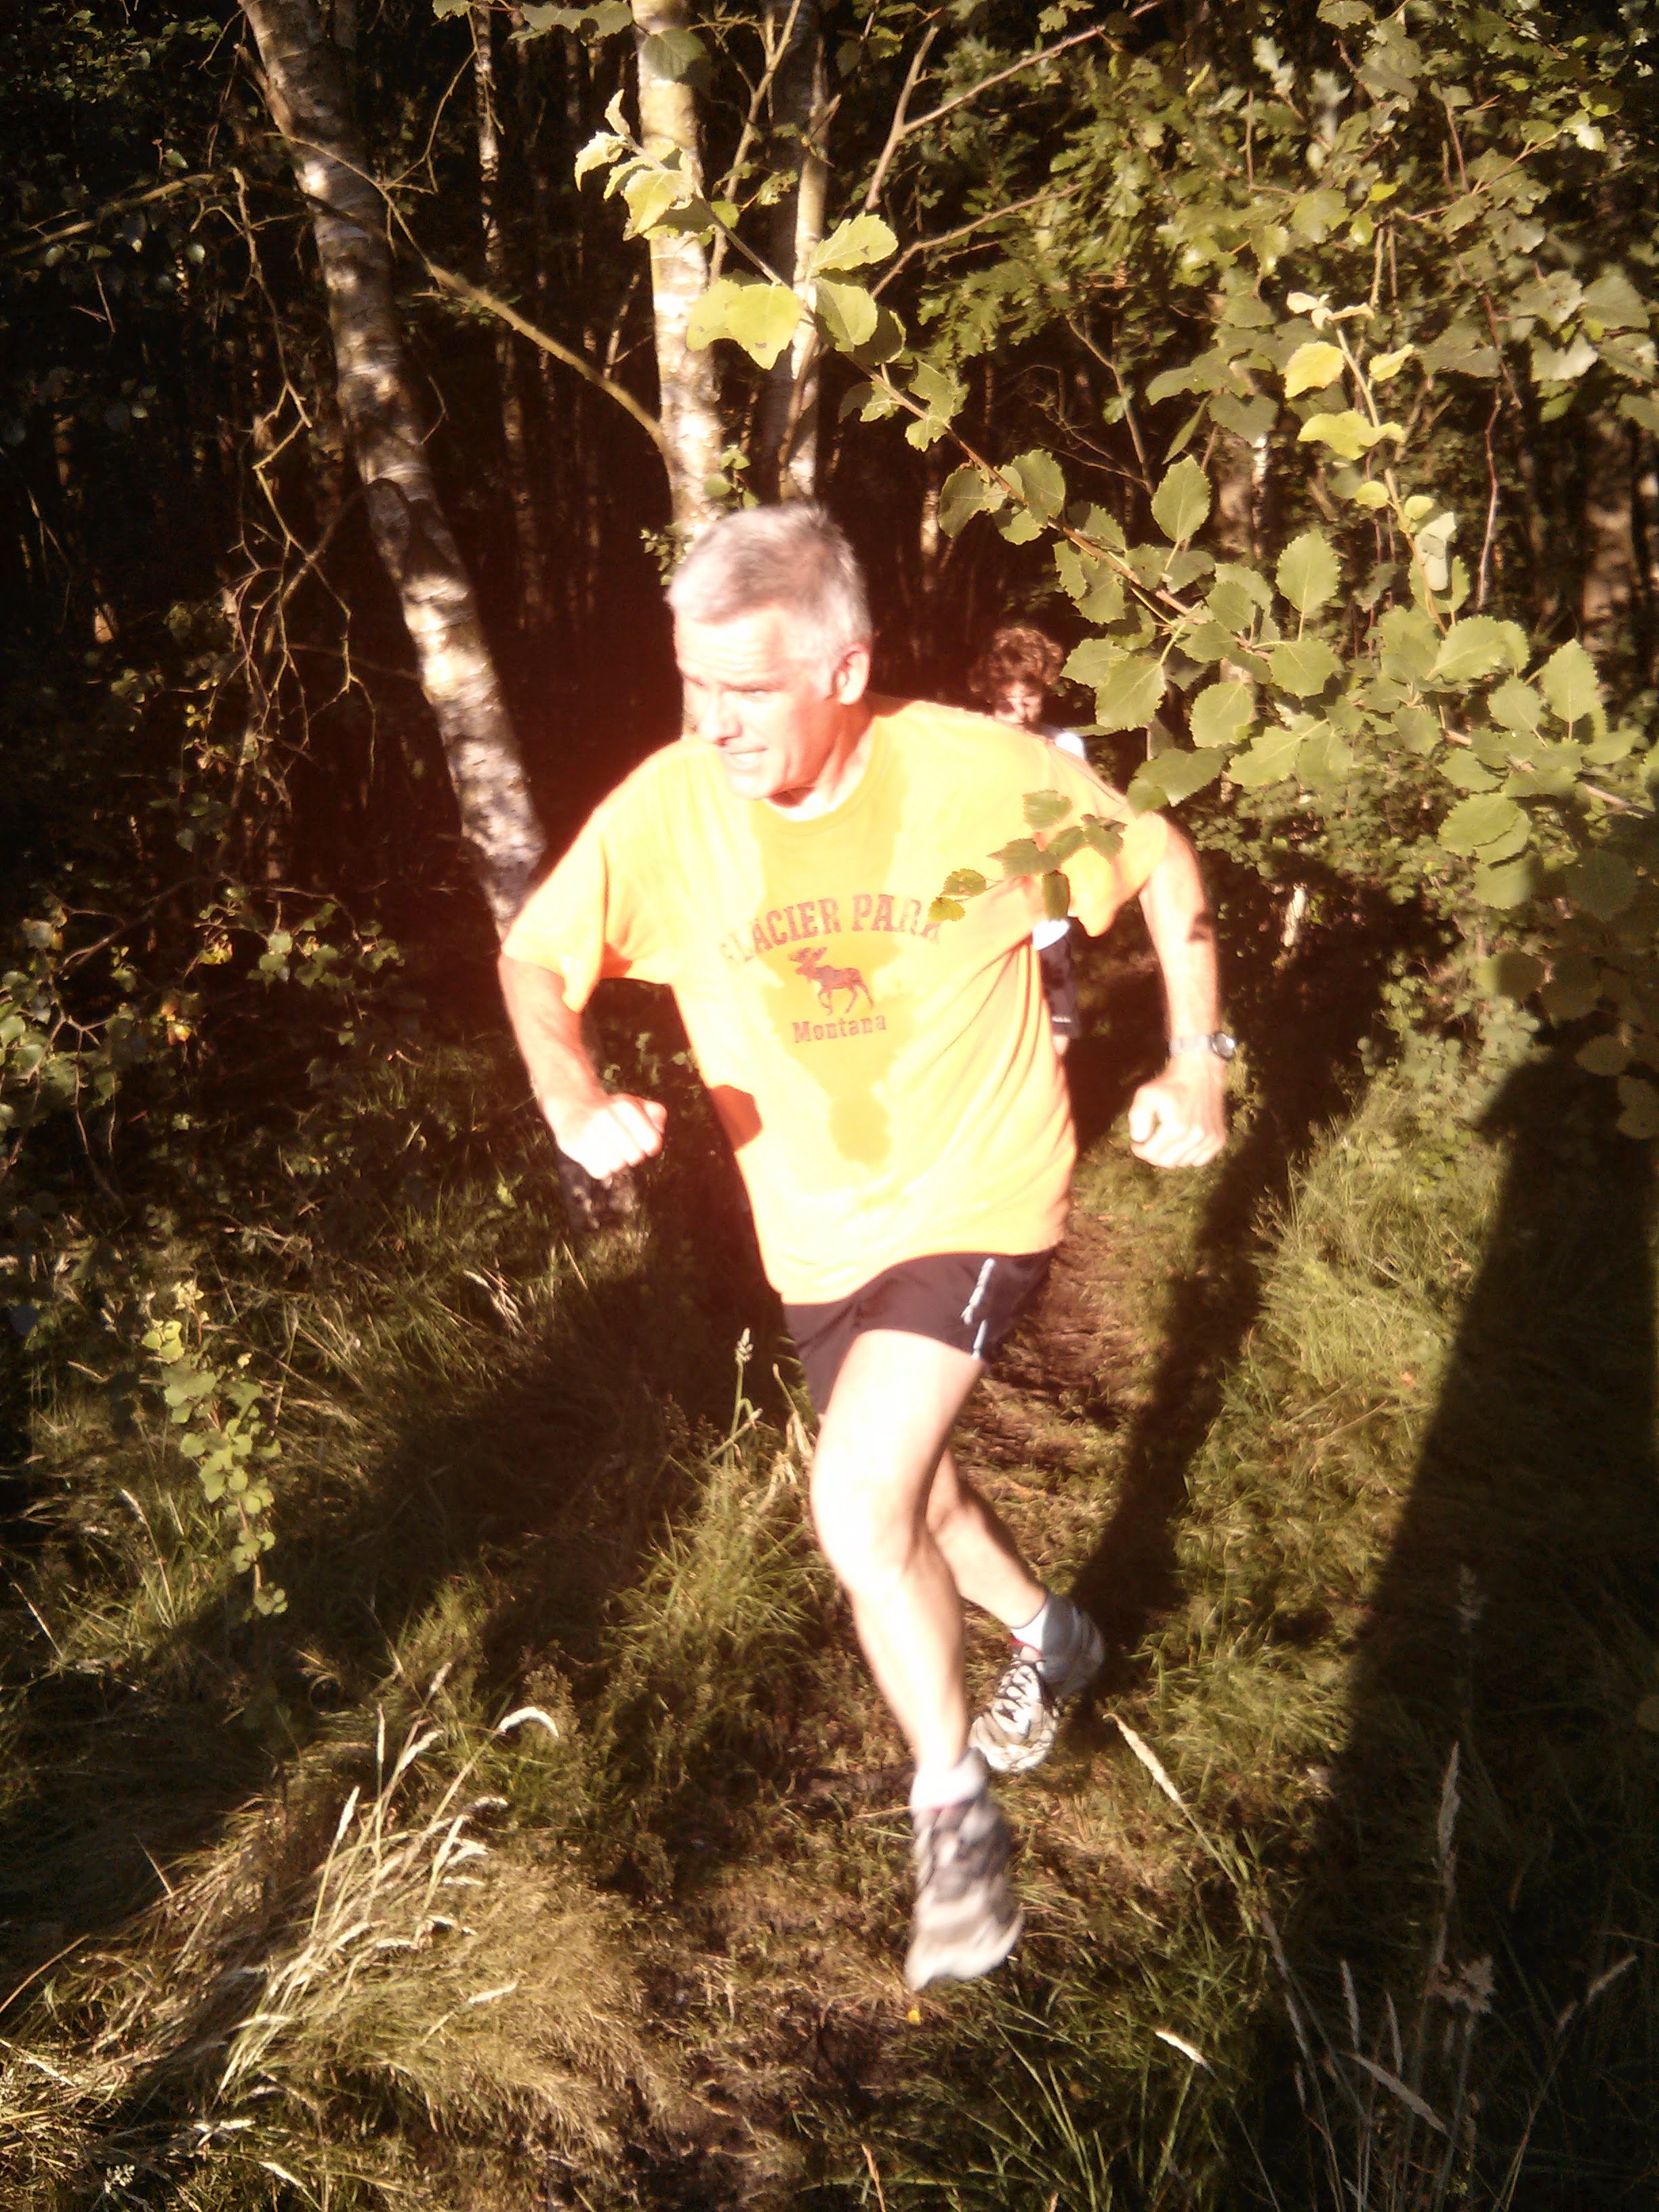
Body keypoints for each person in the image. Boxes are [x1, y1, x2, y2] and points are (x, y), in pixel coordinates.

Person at [497, 506, 1230, 1990]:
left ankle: (952, 1812)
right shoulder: (669, 808)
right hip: (816, 1231)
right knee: (920, 1497)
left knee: (852, 1497)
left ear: (844, 668)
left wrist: (1195, 1060)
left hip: (977, 1194)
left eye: (748, 690)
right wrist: (571, 1089)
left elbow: (1157, 859)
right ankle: (1055, 1636)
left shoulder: (971, 775)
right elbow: (534, 957)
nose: (714, 722)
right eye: (694, 684)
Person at [968, 624, 1088, 1054]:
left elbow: (1080, 823)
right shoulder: (973, 746)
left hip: (1048, 914)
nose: (1019, 712)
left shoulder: (1066, 746)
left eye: (1029, 698)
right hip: (991, 913)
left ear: (1046, 689)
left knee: (1058, 1032)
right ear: (988, 695)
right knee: (998, 1033)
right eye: (1008, 702)